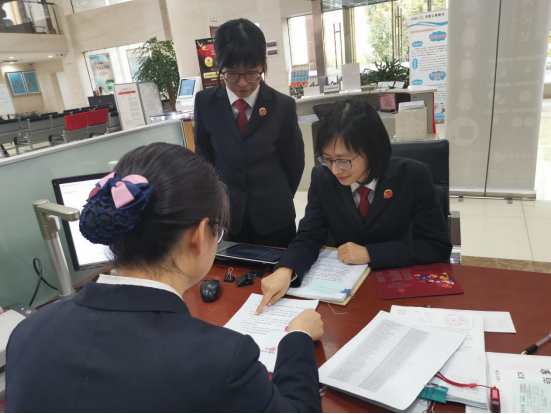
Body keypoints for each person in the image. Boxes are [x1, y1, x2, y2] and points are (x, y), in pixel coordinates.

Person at [5, 143, 323, 412]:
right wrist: (297, 338)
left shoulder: (27, 333)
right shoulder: (221, 359)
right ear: (199, 235)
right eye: (219, 231)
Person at [256, 100, 452, 314]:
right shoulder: (323, 178)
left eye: (343, 160)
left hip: (397, 287)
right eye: (327, 159)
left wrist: (371, 254)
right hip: (342, 293)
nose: (335, 170)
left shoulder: (413, 176)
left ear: (372, 150)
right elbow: (309, 235)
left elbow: (436, 246)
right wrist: (287, 269)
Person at [194, 18, 304, 248]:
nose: (243, 83)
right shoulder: (205, 103)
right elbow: (205, 160)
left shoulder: (282, 106)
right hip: (228, 219)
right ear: (219, 65)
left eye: (252, 73)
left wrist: (275, 196)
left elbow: (294, 163)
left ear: (263, 65)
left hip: (275, 218)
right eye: (232, 74)